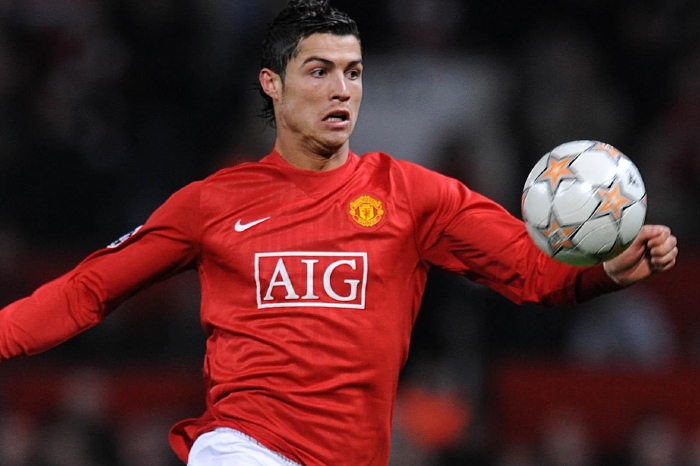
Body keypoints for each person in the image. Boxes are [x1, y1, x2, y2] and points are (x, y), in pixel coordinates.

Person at [0, 1, 678, 465]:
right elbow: (89, 289)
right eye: (319, 71)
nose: (341, 91)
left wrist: (608, 272)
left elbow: (531, 272)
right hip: (242, 449)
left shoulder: (415, 196)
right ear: (272, 84)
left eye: (353, 73)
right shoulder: (213, 202)